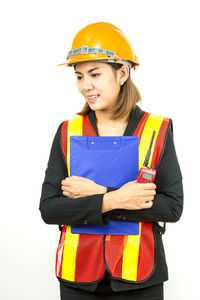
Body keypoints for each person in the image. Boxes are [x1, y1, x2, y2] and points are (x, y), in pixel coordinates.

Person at [40, 22, 183, 300]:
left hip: (140, 279)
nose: (85, 86)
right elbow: (50, 209)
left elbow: (172, 208)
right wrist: (117, 199)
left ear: (123, 73)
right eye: (79, 76)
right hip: (78, 278)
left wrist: (96, 193)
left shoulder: (157, 130)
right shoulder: (69, 132)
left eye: (94, 74)